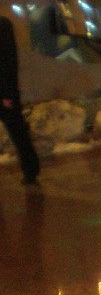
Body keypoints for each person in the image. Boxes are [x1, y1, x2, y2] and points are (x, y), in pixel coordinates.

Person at [0, 15, 40, 186]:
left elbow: (8, 62)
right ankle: (31, 168)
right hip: (6, 92)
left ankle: (31, 168)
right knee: (18, 131)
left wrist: (7, 94)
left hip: (5, 93)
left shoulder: (3, 26)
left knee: (18, 132)